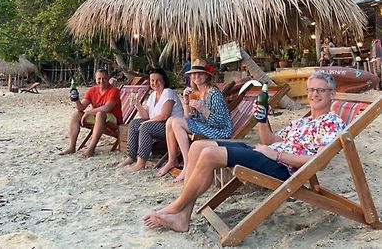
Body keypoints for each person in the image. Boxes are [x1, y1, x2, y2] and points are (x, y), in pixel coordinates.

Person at [143, 71, 345, 233]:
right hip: (267, 153)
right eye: (311, 90)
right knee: (197, 147)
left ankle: (176, 208)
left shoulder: (332, 122)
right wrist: (263, 120)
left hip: (282, 167)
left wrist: (277, 155)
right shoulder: (304, 120)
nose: (314, 95)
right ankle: (183, 216)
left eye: (320, 90)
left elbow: (320, 161)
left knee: (209, 155)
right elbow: (270, 140)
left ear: (332, 94)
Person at [156, 59, 232, 182]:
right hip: (204, 126)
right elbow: (187, 118)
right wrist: (186, 102)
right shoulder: (197, 93)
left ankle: (188, 166)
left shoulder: (214, 94)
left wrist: (203, 108)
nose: (196, 76)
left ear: (207, 75)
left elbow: (222, 122)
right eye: (193, 74)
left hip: (219, 131)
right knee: (171, 121)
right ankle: (171, 160)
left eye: (199, 73)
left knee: (176, 122)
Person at [118, 68, 183, 173]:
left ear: (164, 81)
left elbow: (164, 116)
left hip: (170, 127)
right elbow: (145, 116)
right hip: (157, 124)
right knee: (134, 123)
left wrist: (146, 122)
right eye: (152, 80)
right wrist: (137, 104)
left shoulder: (168, 92)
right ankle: (131, 157)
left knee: (146, 127)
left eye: (158, 80)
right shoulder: (152, 95)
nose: (154, 83)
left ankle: (141, 163)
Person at [60, 69, 122, 157]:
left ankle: (91, 149)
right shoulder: (92, 90)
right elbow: (81, 107)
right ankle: (71, 147)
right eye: (99, 78)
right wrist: (76, 100)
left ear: (108, 78)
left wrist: (88, 112)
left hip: (114, 119)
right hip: (98, 117)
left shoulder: (114, 91)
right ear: (95, 79)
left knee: (100, 114)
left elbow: (106, 108)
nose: (101, 81)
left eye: (104, 78)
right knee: (76, 114)